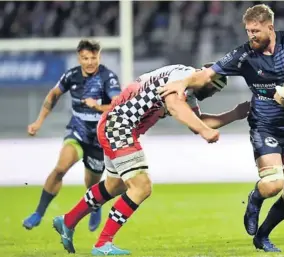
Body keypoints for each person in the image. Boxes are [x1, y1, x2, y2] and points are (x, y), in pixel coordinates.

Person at [158, 4, 284, 252]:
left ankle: (263, 236)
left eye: (256, 31)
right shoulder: (244, 54)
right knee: (272, 184)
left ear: (270, 27)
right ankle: (255, 199)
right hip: (264, 125)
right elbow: (207, 74)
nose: (251, 36)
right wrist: (183, 81)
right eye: (248, 31)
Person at [52, 63, 250, 255]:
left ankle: (68, 221)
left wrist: (234, 114)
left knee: (116, 185)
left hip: (114, 125)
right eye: (212, 89)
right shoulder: (180, 76)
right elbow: (174, 106)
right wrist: (204, 132)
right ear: (207, 78)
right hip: (120, 127)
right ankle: (103, 243)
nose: (211, 95)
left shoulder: (184, 87)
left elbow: (196, 121)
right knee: (141, 186)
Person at [23, 39, 121, 232]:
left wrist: (98, 106)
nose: (90, 62)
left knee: (92, 184)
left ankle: (95, 206)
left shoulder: (108, 77)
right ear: (79, 58)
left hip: (99, 139)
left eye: (94, 57)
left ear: (99, 57)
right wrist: (38, 122)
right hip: (77, 131)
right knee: (61, 168)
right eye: (85, 58)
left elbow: (118, 104)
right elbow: (53, 95)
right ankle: (39, 212)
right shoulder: (71, 76)